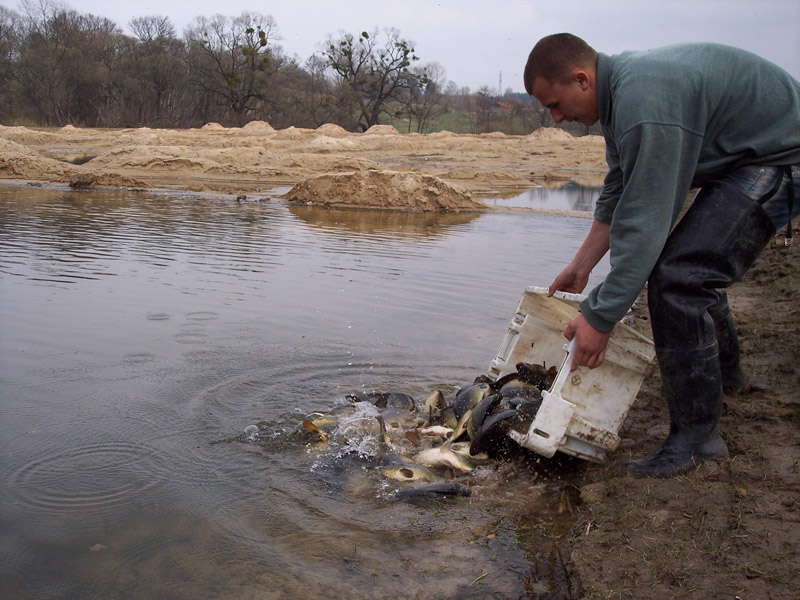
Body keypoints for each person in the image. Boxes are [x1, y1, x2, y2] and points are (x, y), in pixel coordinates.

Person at [523, 33, 800, 477]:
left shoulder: (644, 105)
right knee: (690, 267)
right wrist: (581, 266)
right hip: (744, 157)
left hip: (783, 154)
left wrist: (600, 316)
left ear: (581, 79)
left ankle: (697, 440)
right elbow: (618, 192)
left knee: (679, 276)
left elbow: (646, 219)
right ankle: (727, 379)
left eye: (555, 104)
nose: (556, 119)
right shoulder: (620, 100)